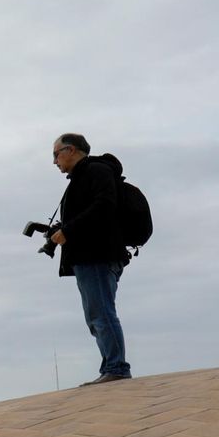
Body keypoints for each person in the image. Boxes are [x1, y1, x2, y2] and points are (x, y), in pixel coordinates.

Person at [50, 134, 132, 384]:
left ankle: (117, 368)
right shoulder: (85, 176)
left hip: (97, 255)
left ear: (71, 150)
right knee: (97, 313)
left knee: (101, 313)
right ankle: (111, 366)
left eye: (56, 154)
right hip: (92, 255)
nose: (54, 161)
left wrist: (68, 231)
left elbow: (103, 207)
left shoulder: (95, 171)